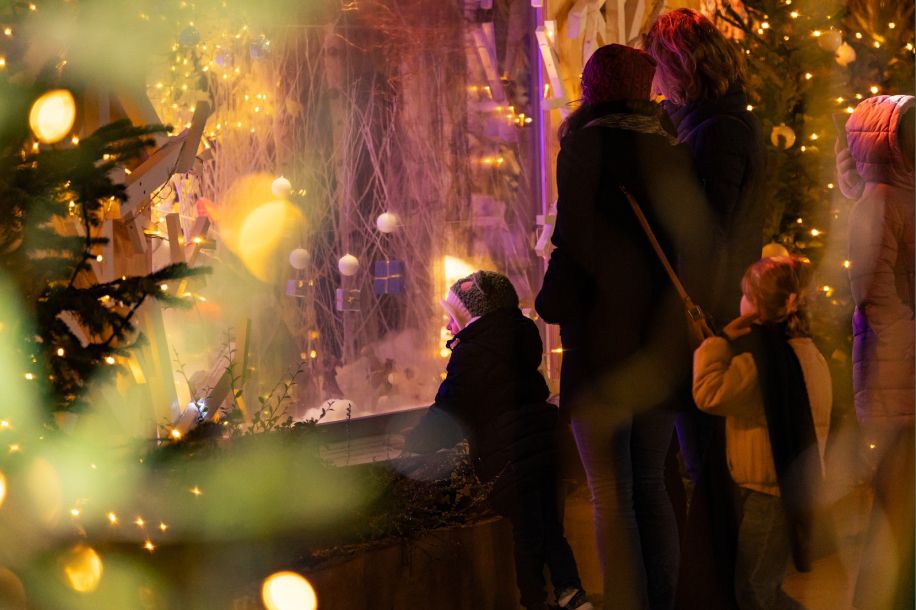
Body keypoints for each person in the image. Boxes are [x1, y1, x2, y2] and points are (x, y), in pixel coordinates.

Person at [536, 44, 711, 610]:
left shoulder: (585, 147)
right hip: (660, 344)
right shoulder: (671, 149)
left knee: (612, 494)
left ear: (593, 88)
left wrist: (551, 299)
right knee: (652, 485)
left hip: (602, 347)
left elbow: (576, 244)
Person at [404, 271, 592, 610]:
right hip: (546, 444)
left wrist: (414, 443)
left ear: (472, 316)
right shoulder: (520, 337)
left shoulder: (472, 353)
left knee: (528, 533)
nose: (448, 326)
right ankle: (572, 593)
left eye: (452, 316)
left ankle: (534, 602)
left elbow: (450, 408)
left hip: (510, 455)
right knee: (551, 526)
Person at [644, 8, 767, 483]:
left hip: (707, 309)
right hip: (705, 302)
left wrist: (692, 312)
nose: (654, 82)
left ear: (680, 66)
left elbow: (710, 231)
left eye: (657, 67)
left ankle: (715, 529)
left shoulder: (720, 129)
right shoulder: (700, 121)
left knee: (704, 451)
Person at [693, 256, 832, 610]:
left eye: (745, 295)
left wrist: (720, 341)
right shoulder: (805, 351)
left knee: (755, 588)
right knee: (764, 584)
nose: (740, 300)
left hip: (768, 491)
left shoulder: (763, 362)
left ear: (756, 305)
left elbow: (708, 392)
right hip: (785, 485)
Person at [836, 94, 915, 610]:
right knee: (896, 506)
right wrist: (907, 335)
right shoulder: (881, 202)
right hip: (895, 374)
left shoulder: (904, 194)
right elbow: (872, 289)